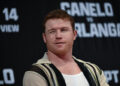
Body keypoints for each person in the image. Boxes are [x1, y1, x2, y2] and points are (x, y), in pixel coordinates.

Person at [23, 9, 109, 86]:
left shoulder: (93, 70)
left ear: (74, 34)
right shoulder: (36, 74)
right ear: (45, 38)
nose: (58, 36)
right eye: (52, 31)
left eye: (63, 30)